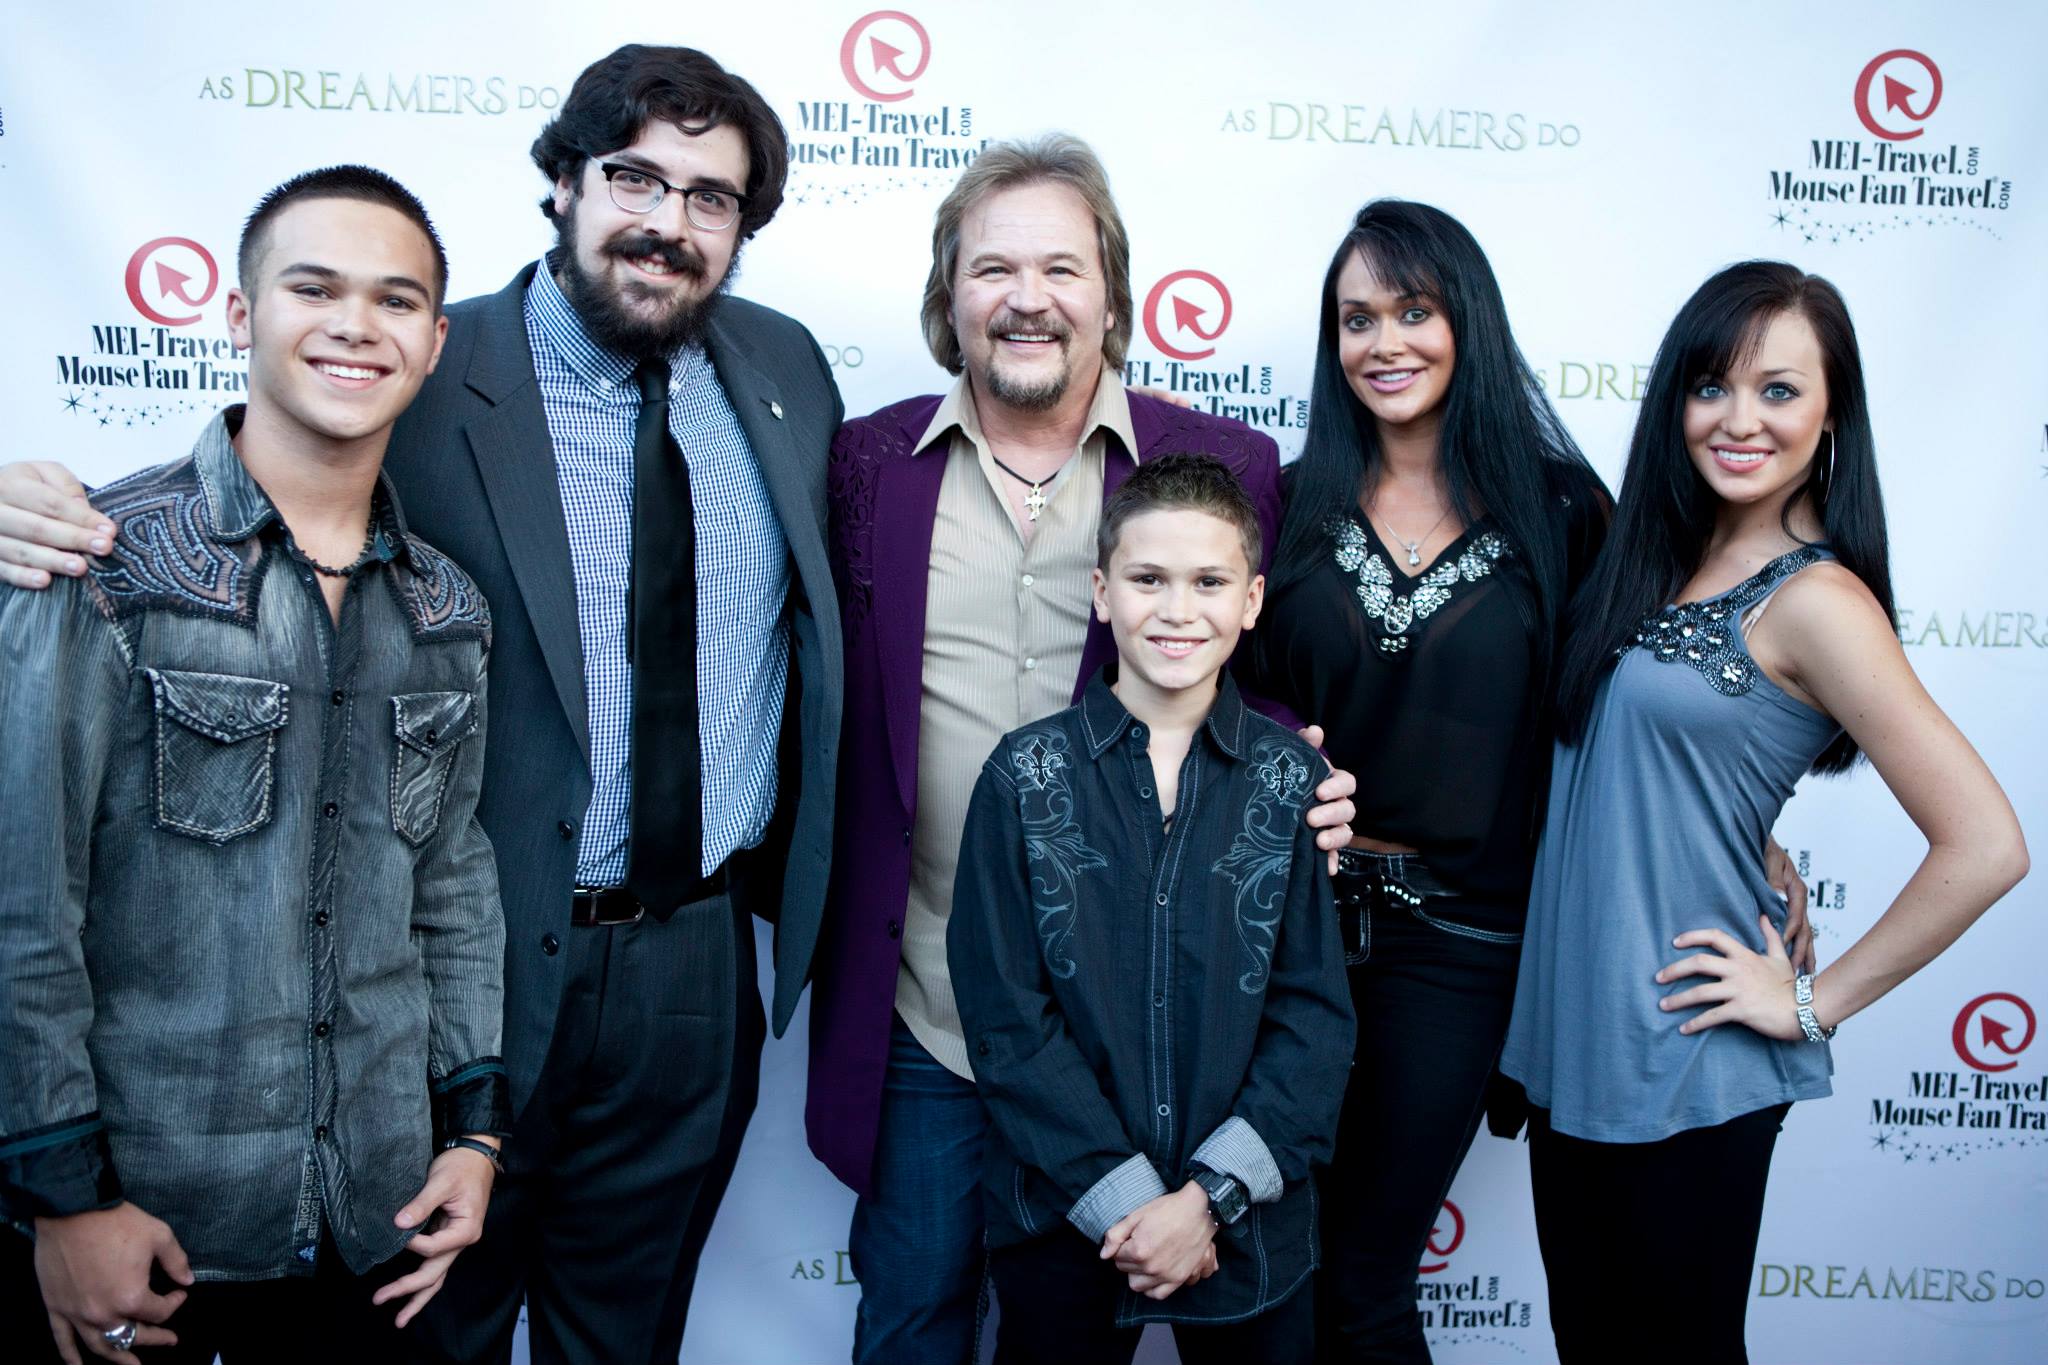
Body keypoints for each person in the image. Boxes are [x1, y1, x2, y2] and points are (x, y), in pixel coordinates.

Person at [0, 44, 843, 1365]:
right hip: (463, 961)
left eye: (712, 197)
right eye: (634, 177)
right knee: (419, 1335)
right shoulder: (427, 362)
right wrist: (33, 515)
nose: (668, 223)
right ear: (562, 182)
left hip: (692, 963)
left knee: (628, 1333)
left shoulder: (785, 372)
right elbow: (257, 502)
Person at [808, 133, 1355, 1364]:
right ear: (948, 296)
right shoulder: (864, 463)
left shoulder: (1222, 464)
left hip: (1143, 1019)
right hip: (936, 1010)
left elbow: (1233, 675)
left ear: (1112, 291)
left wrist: (1302, 776)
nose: (1026, 297)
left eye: (1060, 266)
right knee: (911, 1320)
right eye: (990, 267)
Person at [0, 167, 506, 1365]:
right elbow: (24, 903)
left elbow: (452, 890)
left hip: (378, 1227)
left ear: (433, 343)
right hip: (157, 1231)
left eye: (395, 301)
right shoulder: (101, 568)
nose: (353, 324)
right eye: (312, 287)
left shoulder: (448, 608)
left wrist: (473, 1137)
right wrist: (63, 1198)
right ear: (239, 315)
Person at [1500, 260, 2028, 1362]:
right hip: (1578, 1043)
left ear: (1831, 414)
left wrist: (1814, 1002)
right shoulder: (1655, 558)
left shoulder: (1818, 600)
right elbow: (1655, 760)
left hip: (1686, 1058)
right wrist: (1751, 837)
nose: (1738, 420)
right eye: (1711, 386)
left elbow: (1984, 846)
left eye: (1778, 391)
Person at [1243, 199, 1612, 1363]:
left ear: (1467, 323)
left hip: (1459, 949)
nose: (1383, 342)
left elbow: (1629, 716)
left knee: (1364, 1278)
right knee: (1267, 1273)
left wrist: (1749, 841)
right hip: (1282, 939)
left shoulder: (1563, 513)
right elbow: (1216, 694)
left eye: (1413, 310)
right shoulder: (1285, 500)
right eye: (1356, 319)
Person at [949, 452, 1354, 1363]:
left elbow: (1314, 1020)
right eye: (1147, 579)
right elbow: (1006, 1019)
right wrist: (1133, 1204)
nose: (1177, 609)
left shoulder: (1292, 782)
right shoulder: (1023, 776)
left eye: (1209, 581)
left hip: (1249, 1229)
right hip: (1066, 1217)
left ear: (1251, 600)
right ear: (1101, 592)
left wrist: (1206, 1201)